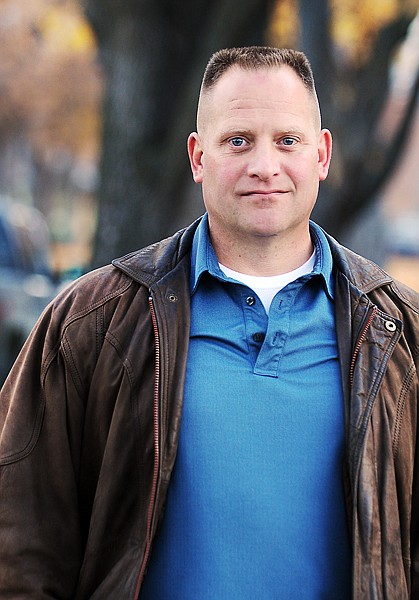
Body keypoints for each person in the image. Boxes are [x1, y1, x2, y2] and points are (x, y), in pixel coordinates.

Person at [0, 46, 418, 600]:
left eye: (287, 141)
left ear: (321, 154)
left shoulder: (399, 335)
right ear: (197, 156)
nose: (264, 165)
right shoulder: (91, 325)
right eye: (237, 141)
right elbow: (20, 545)